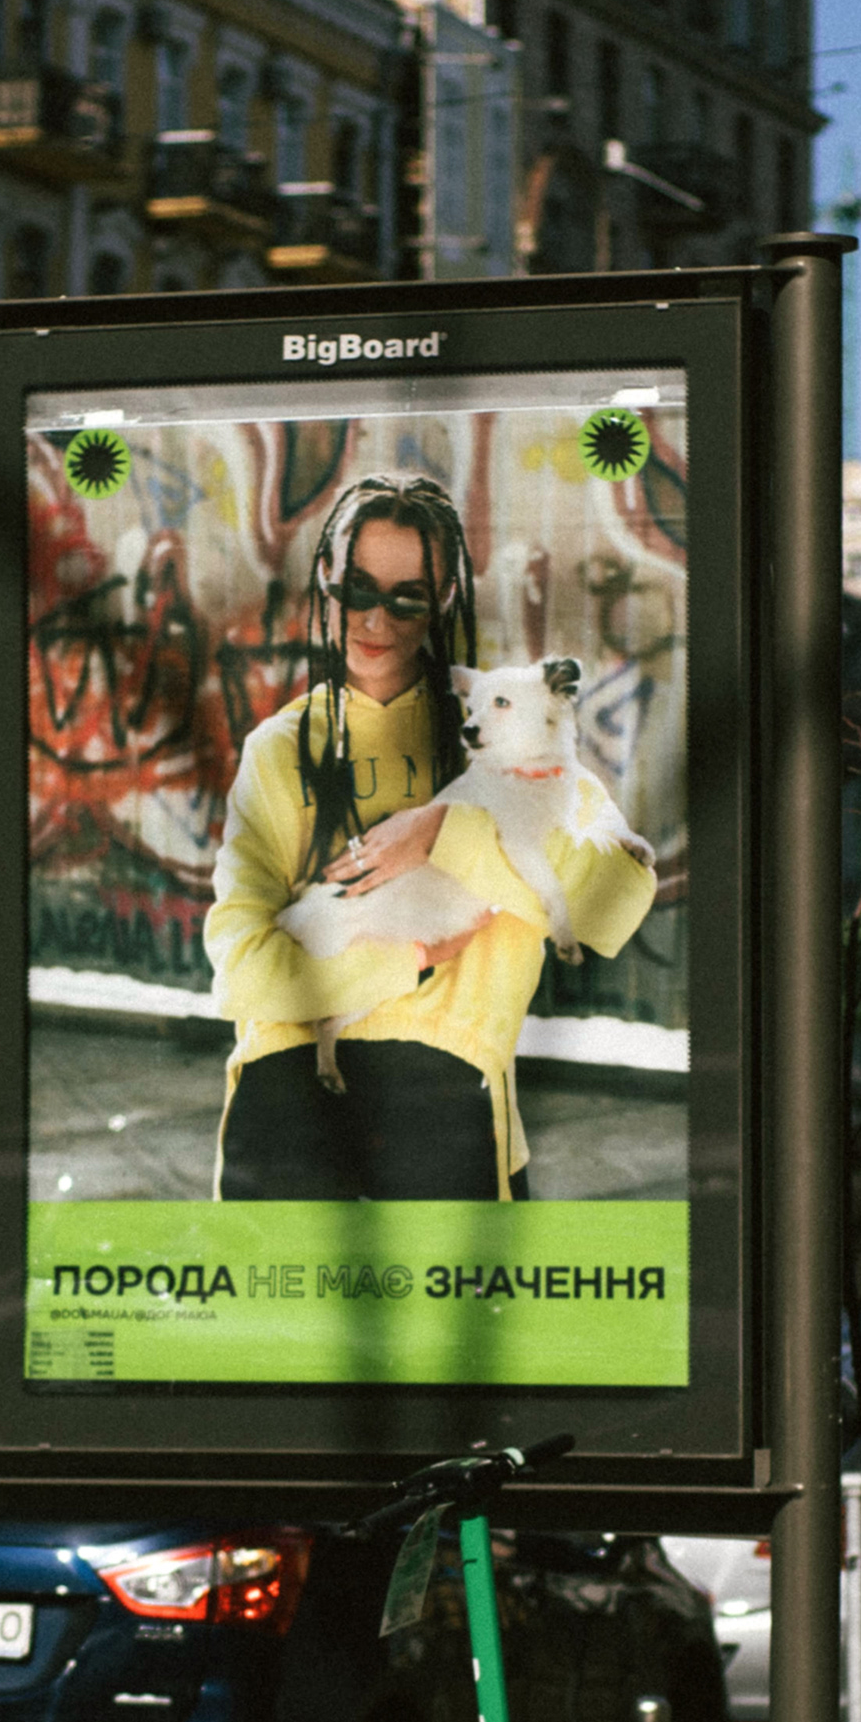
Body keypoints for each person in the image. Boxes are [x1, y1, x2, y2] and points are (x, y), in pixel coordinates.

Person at [204, 470, 657, 1200]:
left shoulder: (515, 729)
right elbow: (239, 971)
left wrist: (448, 831)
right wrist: (410, 957)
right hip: (288, 1100)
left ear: (444, 597)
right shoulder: (280, 749)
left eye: (407, 597)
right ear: (326, 579)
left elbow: (615, 908)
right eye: (358, 589)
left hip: (447, 1102)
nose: (375, 620)